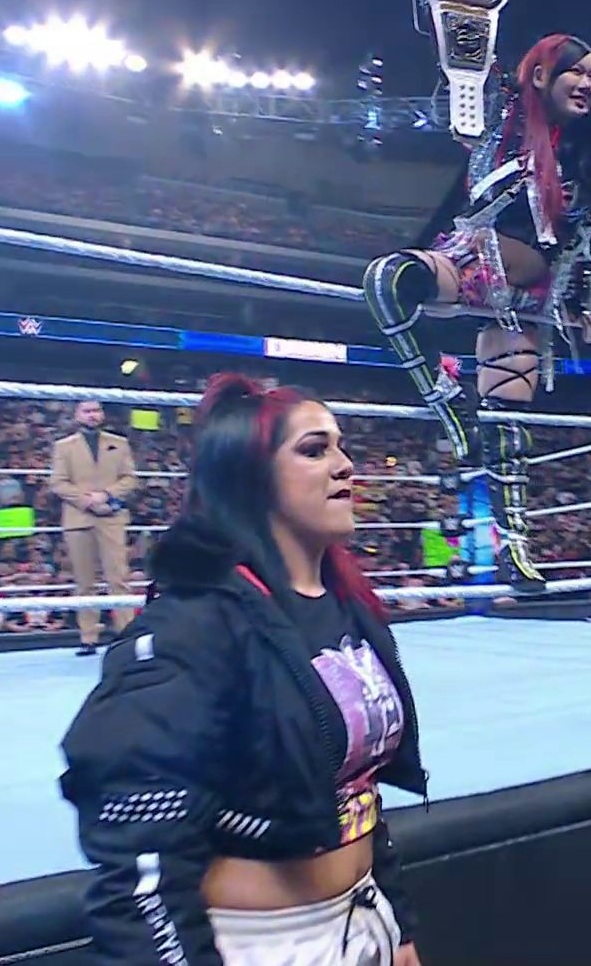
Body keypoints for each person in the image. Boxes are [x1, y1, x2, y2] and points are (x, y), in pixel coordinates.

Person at [60, 373, 426, 966]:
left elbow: (355, 788)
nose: (345, 466)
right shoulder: (194, 626)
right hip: (261, 944)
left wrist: (397, 924)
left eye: (340, 446)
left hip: (363, 921)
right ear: (250, 478)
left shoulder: (348, 606)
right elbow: (136, 865)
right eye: (315, 450)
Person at [362, 23, 591, 590]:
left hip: (528, 299)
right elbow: (465, 81)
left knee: (509, 422)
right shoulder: (503, 115)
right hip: (474, 263)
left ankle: (517, 548)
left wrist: (581, 295)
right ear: (542, 75)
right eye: (576, 71)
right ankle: (445, 398)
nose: (588, 83)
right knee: (387, 279)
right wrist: (463, 23)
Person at [50, 400, 139, 654]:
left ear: (102, 414)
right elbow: (58, 482)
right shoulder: (64, 446)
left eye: (96, 410)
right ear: (77, 415)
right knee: (84, 581)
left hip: (111, 516)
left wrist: (106, 495)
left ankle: (125, 633)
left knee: (118, 577)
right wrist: (88, 501)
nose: (92, 415)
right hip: (79, 518)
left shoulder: (119, 443)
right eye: (87, 411)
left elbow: (130, 478)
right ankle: (88, 637)